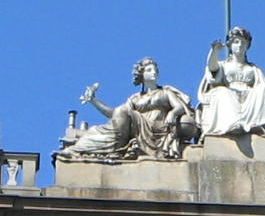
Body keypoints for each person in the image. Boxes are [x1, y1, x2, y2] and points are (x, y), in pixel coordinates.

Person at [59, 57, 195, 160]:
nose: (154, 72)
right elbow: (116, 115)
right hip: (138, 128)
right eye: (149, 70)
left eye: (155, 70)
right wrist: (94, 101)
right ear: (142, 75)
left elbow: (180, 107)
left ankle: (108, 142)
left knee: (122, 111)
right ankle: (80, 148)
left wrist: (173, 113)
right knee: (95, 131)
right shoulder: (135, 98)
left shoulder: (165, 92)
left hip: (158, 128)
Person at [196, 26, 265, 137]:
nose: (239, 45)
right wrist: (215, 52)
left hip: (249, 95)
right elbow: (212, 68)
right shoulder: (223, 65)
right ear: (230, 45)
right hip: (230, 92)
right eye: (236, 42)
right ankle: (232, 124)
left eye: (243, 42)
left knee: (262, 89)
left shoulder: (254, 69)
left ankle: (255, 124)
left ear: (247, 46)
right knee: (221, 92)